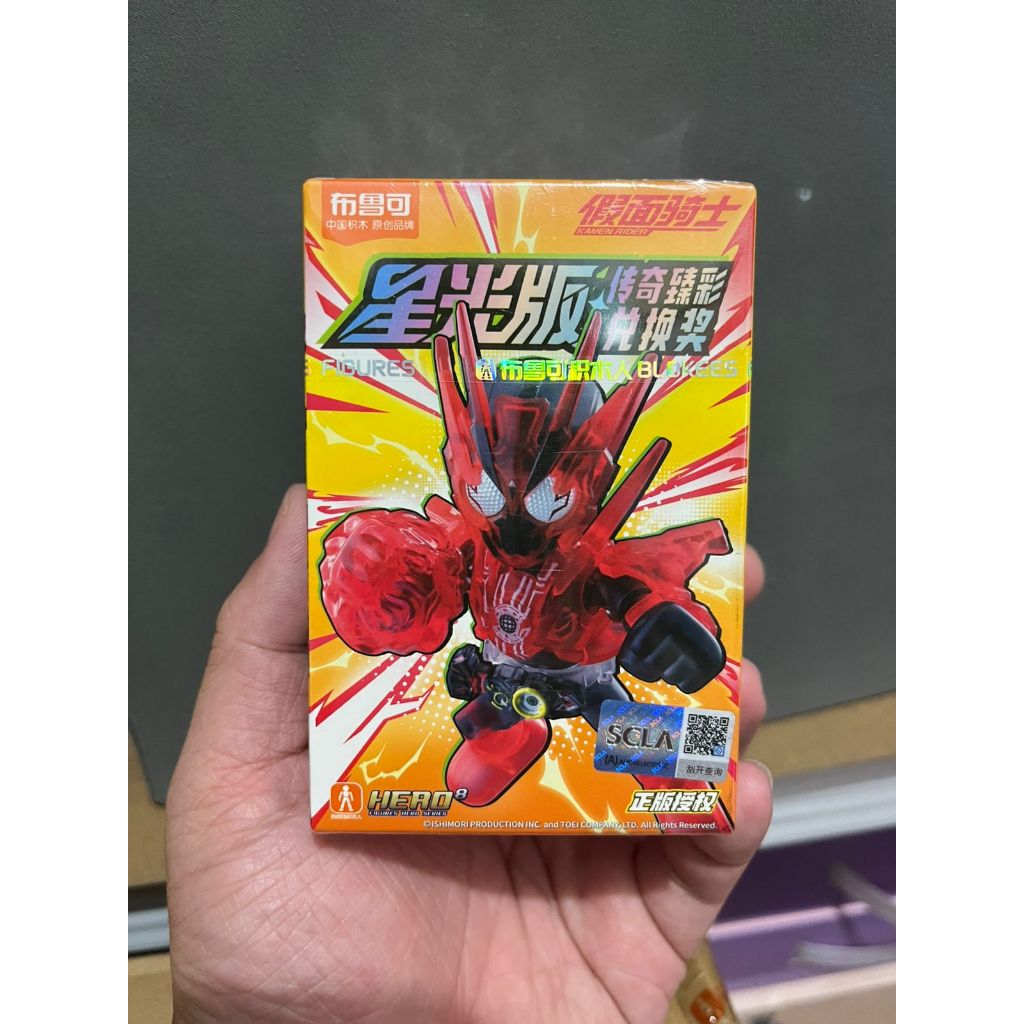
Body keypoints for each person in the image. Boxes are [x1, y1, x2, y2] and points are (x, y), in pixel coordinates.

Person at [167, 485, 773, 1023]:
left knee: (679, 774)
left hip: (587, 682)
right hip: (506, 677)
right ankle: (509, 745)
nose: (516, 525)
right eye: (493, 494)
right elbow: (419, 567)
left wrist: (657, 620)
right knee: (477, 766)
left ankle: (677, 781)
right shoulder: (476, 543)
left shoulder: (581, 558)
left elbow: (627, 588)